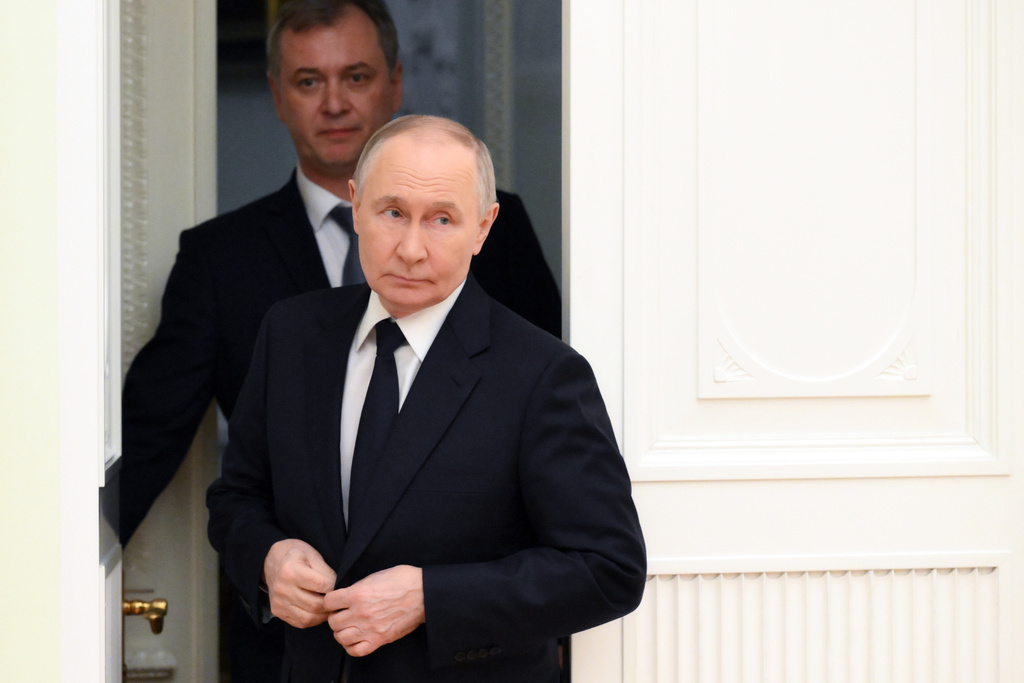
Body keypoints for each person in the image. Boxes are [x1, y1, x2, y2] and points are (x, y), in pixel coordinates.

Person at [120, 0, 561, 679]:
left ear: (395, 81)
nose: (334, 103)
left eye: (355, 76)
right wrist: (47, 569)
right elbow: (160, 443)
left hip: (462, 658)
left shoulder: (498, 236)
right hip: (292, 652)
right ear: (277, 95)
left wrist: (471, 605)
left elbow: (551, 431)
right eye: (308, 81)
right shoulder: (221, 260)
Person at [207, 114, 645, 682]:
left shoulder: (542, 374)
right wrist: (269, 558)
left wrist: (430, 599)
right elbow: (236, 497)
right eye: (392, 212)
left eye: (441, 219)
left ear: (483, 228)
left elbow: (608, 569)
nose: (411, 249)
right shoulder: (291, 334)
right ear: (355, 206)